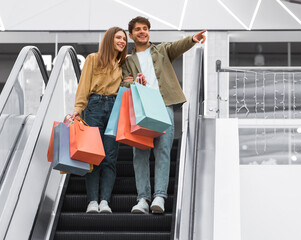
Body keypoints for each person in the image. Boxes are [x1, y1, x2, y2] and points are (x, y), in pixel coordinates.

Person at [122, 16, 206, 214]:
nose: (142, 32)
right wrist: (134, 82)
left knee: (164, 150)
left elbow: (177, 46)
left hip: (164, 103)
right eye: (138, 29)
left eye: (145, 28)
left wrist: (192, 39)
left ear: (148, 32)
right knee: (139, 154)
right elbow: (123, 83)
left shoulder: (161, 50)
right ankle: (142, 199)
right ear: (131, 35)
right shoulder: (127, 61)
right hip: (141, 107)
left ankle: (159, 196)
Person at [70, 27, 140, 213]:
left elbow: (126, 88)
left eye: (124, 39)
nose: (122, 41)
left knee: (110, 157)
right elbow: (84, 86)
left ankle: (104, 201)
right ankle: (92, 201)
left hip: (115, 108)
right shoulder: (93, 59)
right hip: (94, 107)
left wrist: (134, 81)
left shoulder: (124, 64)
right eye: (118, 37)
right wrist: (78, 109)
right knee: (93, 156)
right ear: (109, 39)